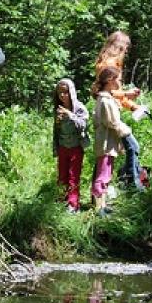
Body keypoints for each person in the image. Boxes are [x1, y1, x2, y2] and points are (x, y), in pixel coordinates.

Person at [94, 31, 147, 191]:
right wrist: (126, 94)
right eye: (125, 48)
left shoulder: (115, 65)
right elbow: (105, 93)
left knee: (111, 157)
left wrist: (133, 106)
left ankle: (124, 184)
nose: (126, 52)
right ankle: (133, 185)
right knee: (129, 148)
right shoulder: (108, 65)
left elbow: (117, 95)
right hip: (109, 116)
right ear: (118, 47)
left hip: (114, 113)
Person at [91, 66, 132, 216]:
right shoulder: (105, 100)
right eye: (118, 79)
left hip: (109, 143)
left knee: (106, 175)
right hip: (106, 144)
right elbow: (112, 122)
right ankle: (98, 207)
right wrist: (127, 132)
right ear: (110, 81)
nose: (120, 82)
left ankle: (103, 205)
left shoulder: (107, 97)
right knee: (102, 176)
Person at [53, 78, 90, 213]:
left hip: (76, 147)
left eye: (65, 92)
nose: (62, 95)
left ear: (71, 92)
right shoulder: (58, 109)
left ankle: (73, 204)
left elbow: (83, 125)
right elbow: (56, 131)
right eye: (59, 93)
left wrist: (70, 114)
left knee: (73, 176)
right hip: (63, 147)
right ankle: (61, 199)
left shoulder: (79, 108)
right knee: (62, 175)